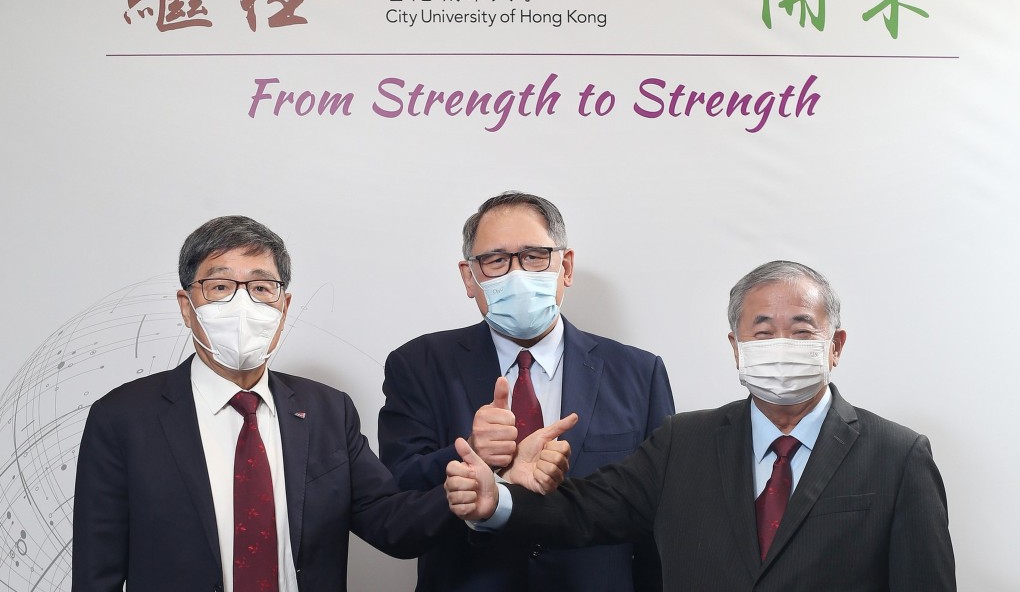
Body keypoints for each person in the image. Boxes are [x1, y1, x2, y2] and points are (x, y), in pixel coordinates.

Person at [71, 215, 569, 592]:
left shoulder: (327, 412)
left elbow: (392, 525)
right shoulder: (124, 418)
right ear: (187, 305)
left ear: (284, 307)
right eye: (220, 287)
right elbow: (97, 573)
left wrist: (482, 484)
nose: (242, 304)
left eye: (262, 288)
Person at [447, 260, 956, 592]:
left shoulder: (899, 455)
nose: (781, 344)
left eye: (802, 330)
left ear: (836, 345)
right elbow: (585, 513)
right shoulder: (681, 443)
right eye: (762, 330)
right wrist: (498, 499)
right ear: (735, 346)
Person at [380, 191, 675, 591]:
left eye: (535, 256)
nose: (517, 274)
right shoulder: (419, 365)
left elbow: (660, 519)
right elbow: (397, 511)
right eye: (496, 260)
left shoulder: (639, 372)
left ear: (565, 266)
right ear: (470, 276)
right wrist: (471, 453)